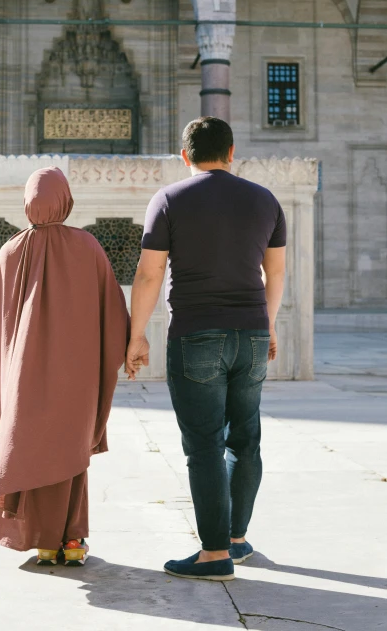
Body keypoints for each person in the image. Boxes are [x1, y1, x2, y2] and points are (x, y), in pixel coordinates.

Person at [125, 117, 286, 581]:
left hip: (196, 335)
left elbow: (150, 274)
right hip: (253, 333)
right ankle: (236, 538)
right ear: (232, 152)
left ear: (185, 156)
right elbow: (274, 274)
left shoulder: (170, 200)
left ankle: (215, 554)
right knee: (245, 437)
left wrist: (136, 335)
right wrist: (268, 326)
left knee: (205, 446)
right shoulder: (265, 200)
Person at [0, 167, 129, 567]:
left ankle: (44, 542)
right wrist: (124, 350)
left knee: (29, 448)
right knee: (70, 453)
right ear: (64, 199)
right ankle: (73, 540)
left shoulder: (9, 252)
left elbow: (1, 329)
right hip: (76, 377)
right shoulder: (87, 247)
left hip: (24, 378)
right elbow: (112, 312)